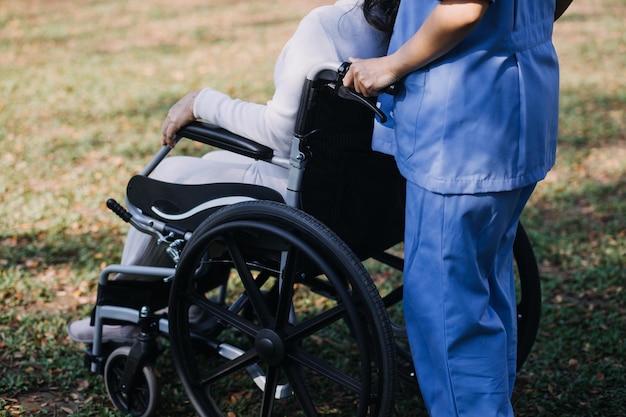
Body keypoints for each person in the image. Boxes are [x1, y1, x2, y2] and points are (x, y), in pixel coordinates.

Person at [67, 0, 400, 343]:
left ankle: (125, 313)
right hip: (370, 204)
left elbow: (278, 133)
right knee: (209, 163)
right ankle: (187, 299)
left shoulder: (328, 27)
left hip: (306, 203)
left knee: (165, 176)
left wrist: (202, 102)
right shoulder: (408, 27)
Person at [343, 0, 572, 416]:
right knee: (484, 283)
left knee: (447, 310)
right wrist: (515, 32)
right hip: (519, 102)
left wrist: (390, 65)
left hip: (464, 122)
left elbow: (465, 7)